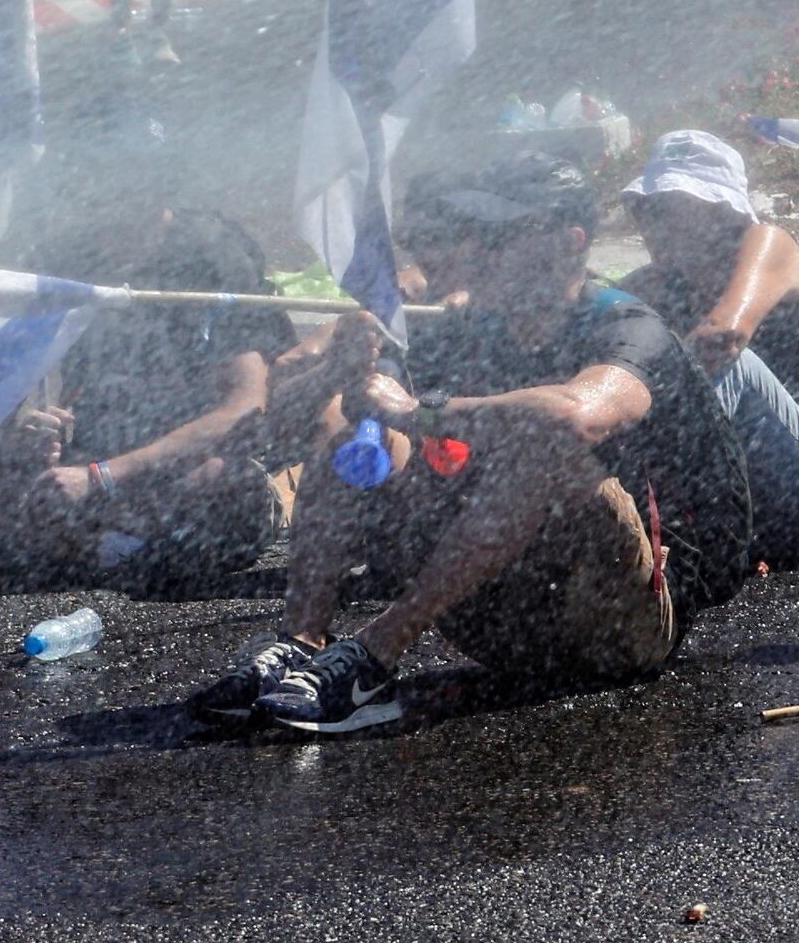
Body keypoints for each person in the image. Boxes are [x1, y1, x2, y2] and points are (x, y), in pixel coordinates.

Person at [206, 150, 759, 737]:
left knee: (543, 444)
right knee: (350, 433)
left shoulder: (627, 327)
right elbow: (281, 424)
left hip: (624, 622)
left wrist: (417, 409)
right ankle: (301, 644)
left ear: (569, 242)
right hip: (502, 615)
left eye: (503, 232)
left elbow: (576, 418)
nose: (479, 247)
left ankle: (372, 660)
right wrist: (341, 374)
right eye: (476, 232)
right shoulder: (469, 327)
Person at [0, 209, 333, 597]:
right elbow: (11, 379)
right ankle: (103, 544)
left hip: (173, 461)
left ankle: (72, 546)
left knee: (231, 488)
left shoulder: (211, 257)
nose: (116, 212)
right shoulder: (68, 253)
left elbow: (242, 408)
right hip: (94, 452)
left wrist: (102, 476)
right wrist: (29, 431)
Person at [615, 131, 799, 566]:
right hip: (761, 512)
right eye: (647, 209)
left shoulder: (767, 244)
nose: (654, 223)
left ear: (720, 212)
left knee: (727, 362)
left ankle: (650, 524)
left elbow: (723, 335)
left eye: (671, 209)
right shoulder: (654, 284)